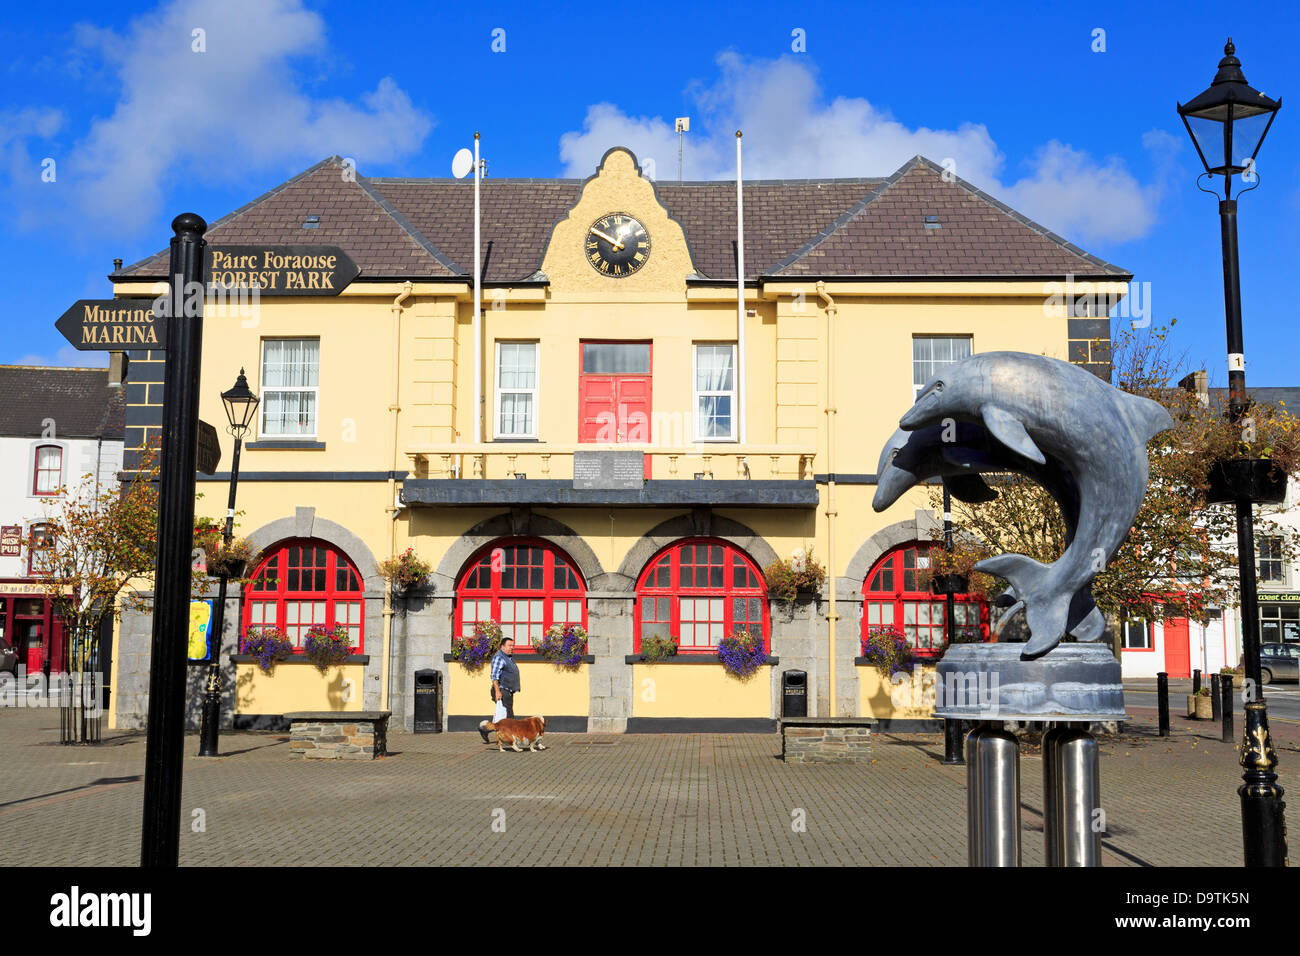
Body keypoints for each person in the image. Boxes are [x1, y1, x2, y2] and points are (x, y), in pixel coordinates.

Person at [481, 637, 521, 743]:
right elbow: (494, 676)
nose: (512, 648)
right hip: (502, 690)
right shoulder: (499, 657)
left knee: (503, 715)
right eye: (509, 646)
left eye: (513, 646)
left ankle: (485, 730)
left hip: (508, 690)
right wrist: (497, 691)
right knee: (509, 716)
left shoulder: (508, 657)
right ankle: (512, 739)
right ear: (502, 647)